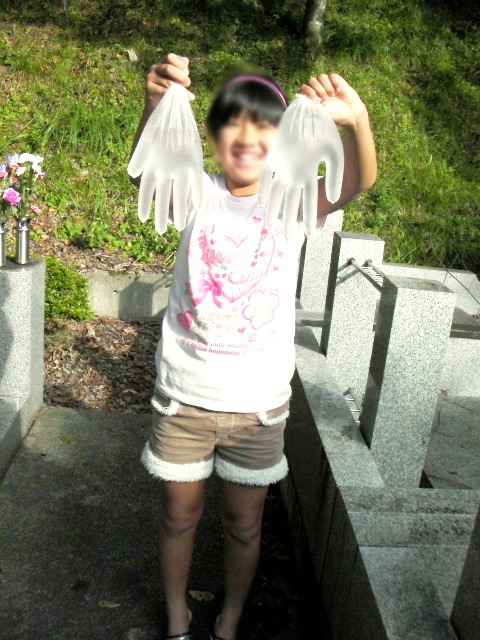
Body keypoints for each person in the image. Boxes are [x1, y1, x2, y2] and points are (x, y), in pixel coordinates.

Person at [130, 52, 377, 640]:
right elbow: (148, 170)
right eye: (232, 123)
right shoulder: (196, 192)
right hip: (184, 398)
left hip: (258, 407)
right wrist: (154, 103)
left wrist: (357, 120)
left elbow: (356, 183)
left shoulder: (291, 202)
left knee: (244, 525)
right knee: (179, 516)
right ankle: (177, 616)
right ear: (213, 136)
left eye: (263, 125)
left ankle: (231, 619)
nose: (246, 137)